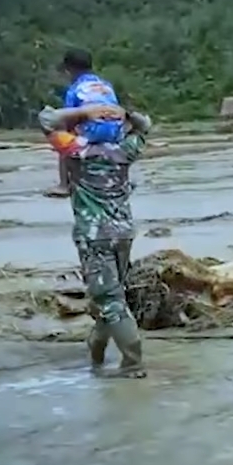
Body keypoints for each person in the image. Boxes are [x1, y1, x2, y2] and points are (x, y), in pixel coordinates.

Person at [39, 101, 153, 378]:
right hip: (123, 233)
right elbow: (144, 126)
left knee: (109, 299)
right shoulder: (125, 151)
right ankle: (97, 351)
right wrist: (123, 113)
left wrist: (83, 111)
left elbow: (47, 121)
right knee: (110, 295)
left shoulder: (77, 150)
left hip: (94, 237)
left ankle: (133, 363)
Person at [45, 48, 125, 197]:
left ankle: (64, 185)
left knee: (61, 133)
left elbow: (68, 120)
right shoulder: (106, 85)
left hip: (91, 137)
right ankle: (121, 180)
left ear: (69, 69)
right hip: (115, 135)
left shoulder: (75, 89)